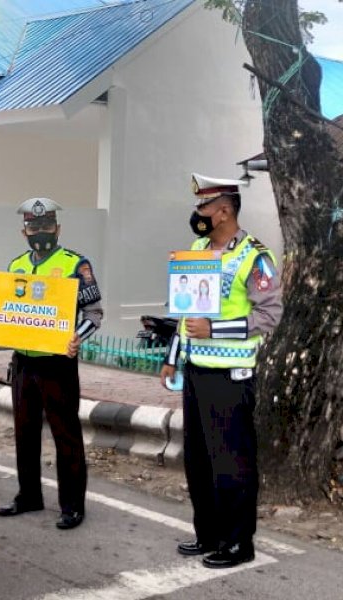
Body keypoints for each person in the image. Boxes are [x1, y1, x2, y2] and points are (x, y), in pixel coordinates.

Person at [160, 173, 282, 569]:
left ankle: (237, 542)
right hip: (196, 372)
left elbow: (270, 315)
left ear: (224, 210)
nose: (197, 214)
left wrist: (216, 329)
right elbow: (184, 313)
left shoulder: (254, 255)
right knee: (199, 460)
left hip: (232, 375)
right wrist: (172, 356)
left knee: (232, 461)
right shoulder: (196, 250)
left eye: (203, 208)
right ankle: (207, 533)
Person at [0, 197, 103, 530]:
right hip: (23, 363)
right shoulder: (16, 266)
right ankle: (29, 496)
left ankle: (72, 505)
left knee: (65, 434)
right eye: (33, 227)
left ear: (58, 228)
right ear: (23, 231)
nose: (40, 232)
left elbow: (95, 313)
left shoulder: (75, 265)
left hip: (58, 364)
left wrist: (77, 337)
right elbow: (11, 316)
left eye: (46, 226)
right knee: (24, 431)